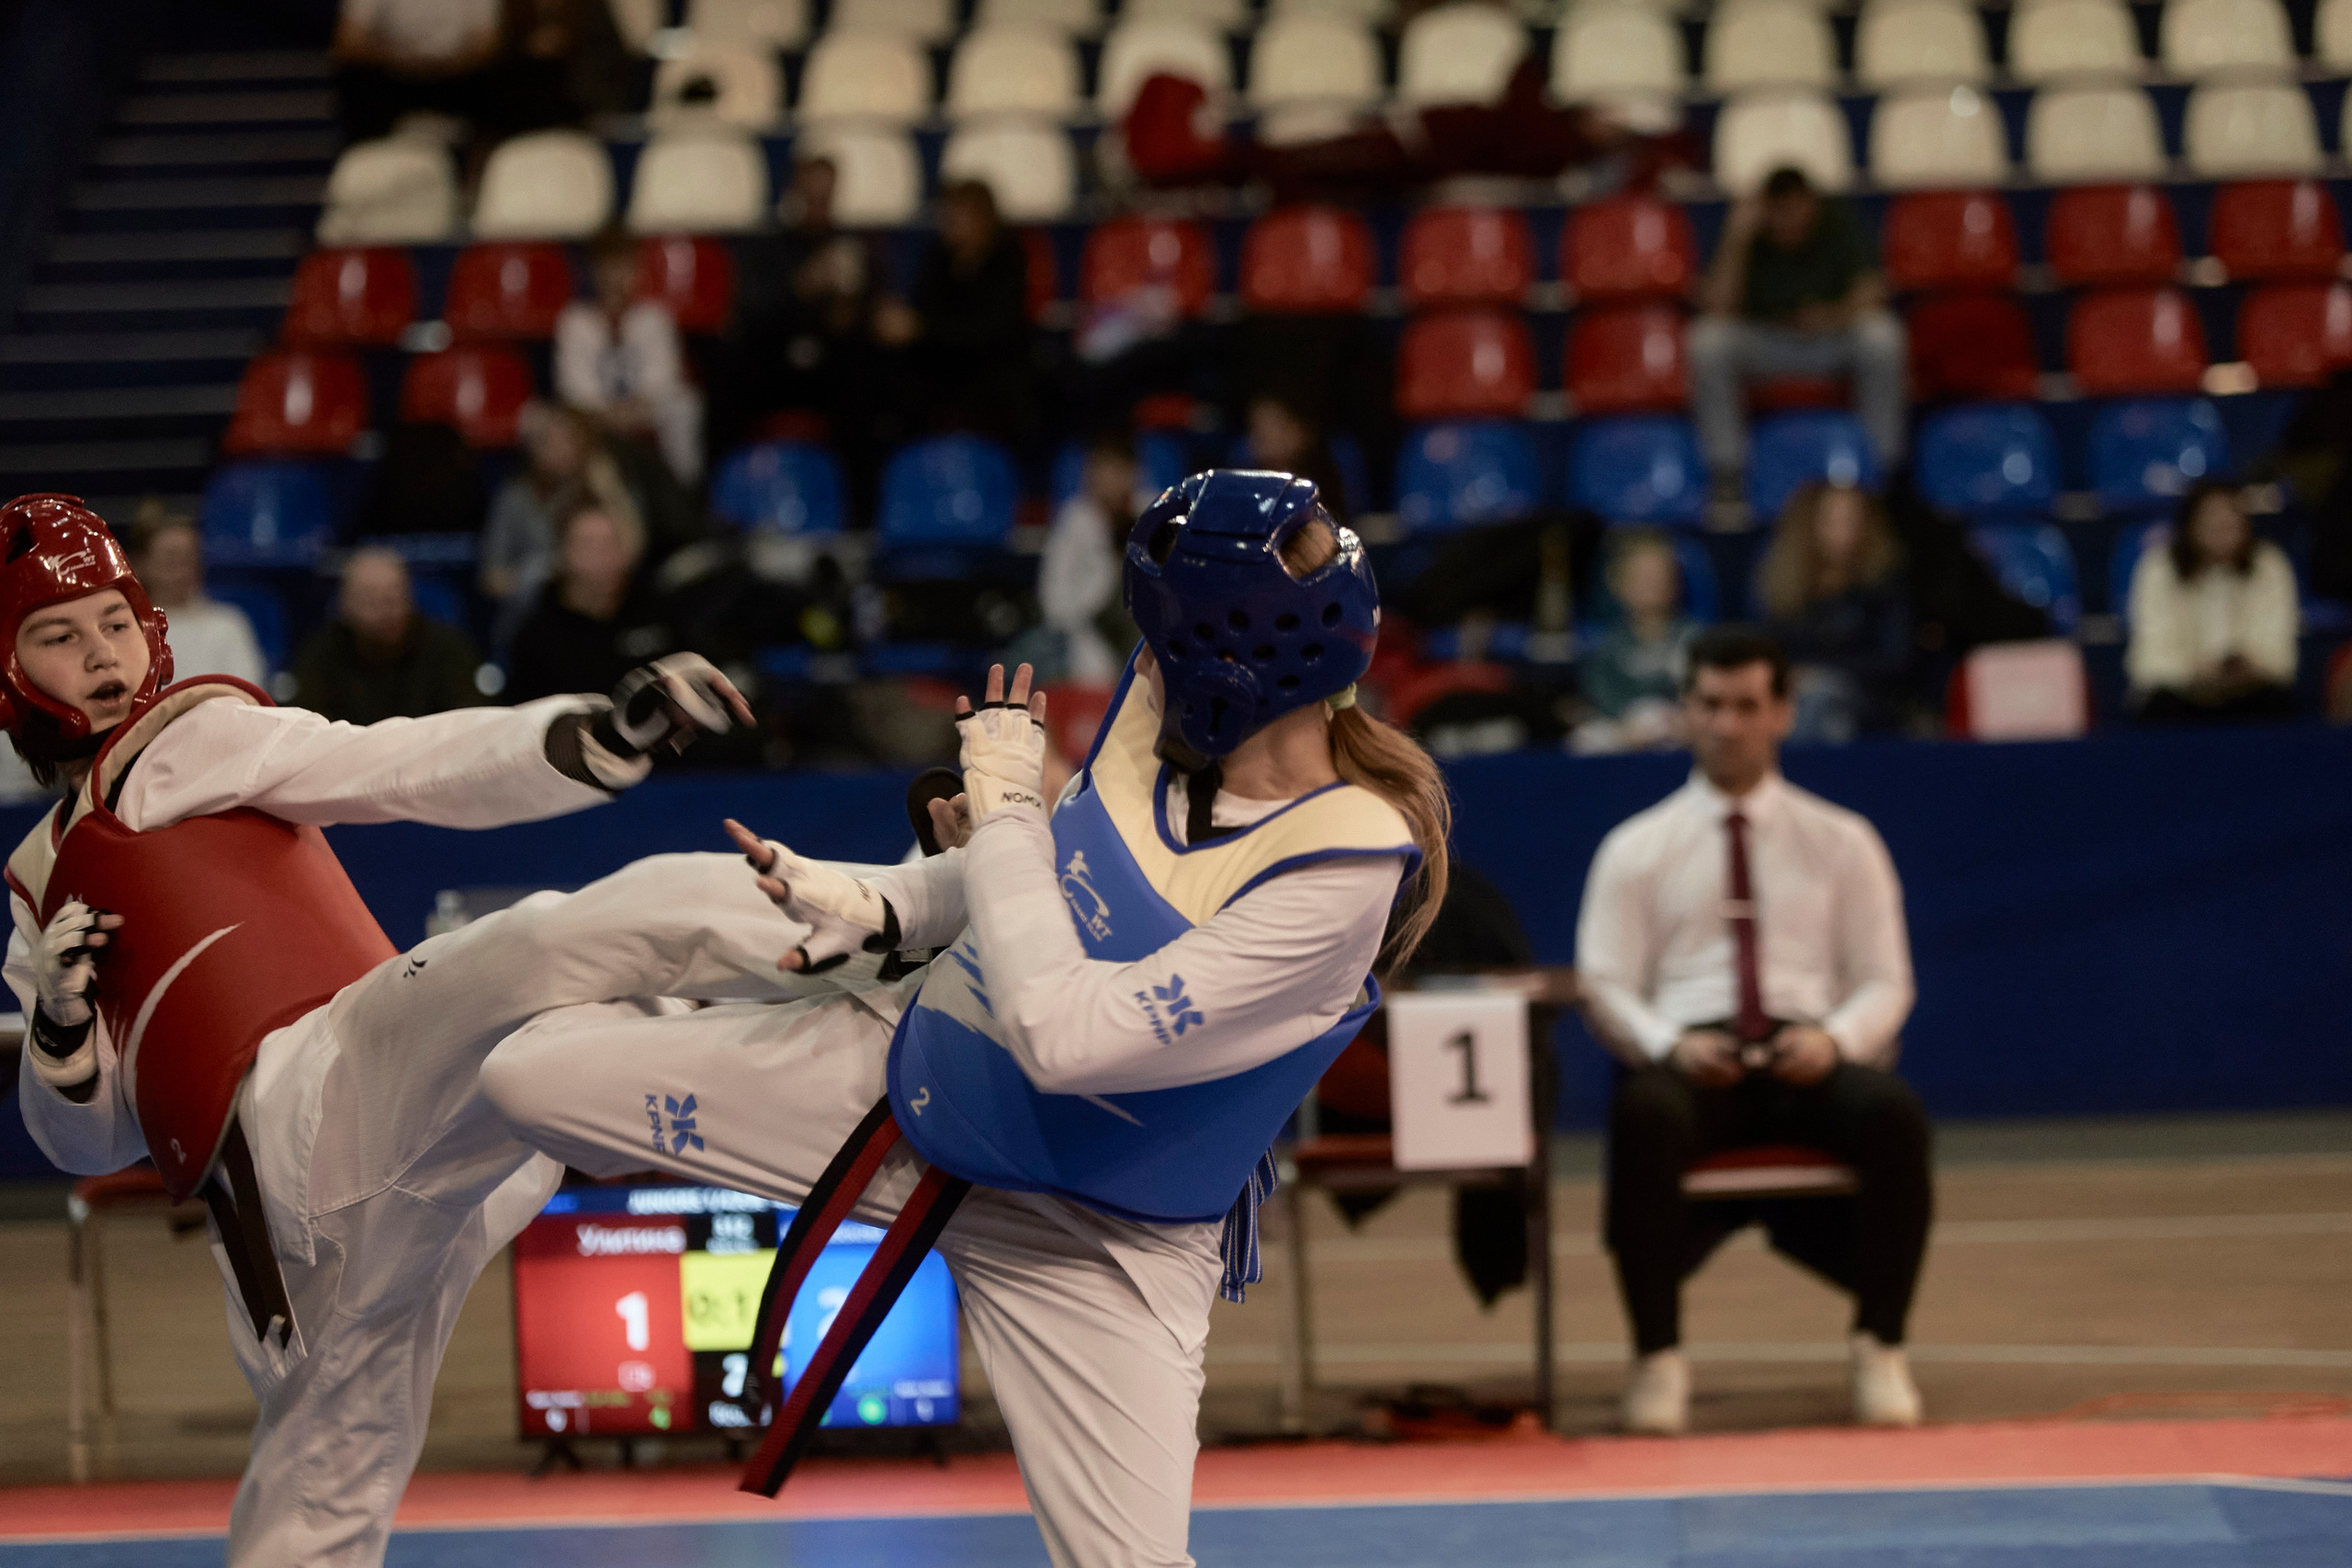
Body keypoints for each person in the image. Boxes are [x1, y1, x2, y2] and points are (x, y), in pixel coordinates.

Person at [480, 470, 1453, 1568]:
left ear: (1222, 657)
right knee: (527, 1079)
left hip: (1103, 1246)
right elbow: (1045, 885)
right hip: (919, 1087)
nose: (1146, 657)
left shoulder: (1339, 868)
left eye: (1163, 637)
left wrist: (1005, 816)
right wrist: (875, 901)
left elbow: (1066, 1035)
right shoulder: (1167, 729)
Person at [1, 492, 757, 1567]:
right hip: (290, 1230)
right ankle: (838, 963)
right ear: (11, 670)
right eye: (59, 636)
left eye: (115, 622)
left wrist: (589, 733)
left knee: (547, 960)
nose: (100, 655)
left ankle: (866, 931)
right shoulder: (37, 888)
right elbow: (90, 1143)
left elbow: (392, 760)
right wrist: (62, 1027)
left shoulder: (187, 741)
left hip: (346, 1099)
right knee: (314, 1517)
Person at [1574, 626, 1927, 1437]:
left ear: (1782, 713)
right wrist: (1669, 1044)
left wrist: (1837, 1040)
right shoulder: (1636, 847)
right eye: (1710, 705)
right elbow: (1604, 984)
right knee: (1645, 1113)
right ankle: (1657, 1358)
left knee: (1895, 1116)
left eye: (1745, 705)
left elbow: (1886, 979)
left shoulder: (1843, 841)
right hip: (1696, 1059)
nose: (1726, 724)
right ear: (1685, 710)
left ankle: (1881, 1344)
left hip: (1808, 1055)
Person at [1690, 167, 1908, 512]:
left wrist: (1833, 316)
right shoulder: (1744, 234)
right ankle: (1728, 471)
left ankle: (1883, 470)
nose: (1789, 220)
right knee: (1708, 342)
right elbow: (1717, 307)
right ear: (1765, 209)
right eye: (1779, 211)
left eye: (1796, 208)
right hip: (1767, 343)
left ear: (1811, 203)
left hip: (1829, 338)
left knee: (1882, 336)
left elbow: (1873, 290)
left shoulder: (1836, 220)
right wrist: (1737, 239)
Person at [876, 179, 1039, 452]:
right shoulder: (938, 258)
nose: (948, 222)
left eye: (957, 215)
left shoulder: (1009, 259)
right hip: (942, 367)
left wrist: (922, 327)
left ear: (982, 218)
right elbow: (922, 310)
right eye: (947, 214)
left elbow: (993, 327)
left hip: (992, 370)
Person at [2126, 481, 2300, 724]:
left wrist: (2243, 669)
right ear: (2189, 525)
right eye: (2211, 522)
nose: (2221, 530)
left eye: (2230, 522)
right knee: (2158, 707)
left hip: (2249, 693)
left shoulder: (2269, 565)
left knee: (2277, 703)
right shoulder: (2158, 568)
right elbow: (2148, 662)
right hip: (2180, 695)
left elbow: (2280, 659)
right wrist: (2195, 672)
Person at [1757, 482, 1911, 742]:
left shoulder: (1885, 585)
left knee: (1820, 702)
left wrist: (1821, 673)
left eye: (1852, 520)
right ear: (1810, 526)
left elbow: (1896, 660)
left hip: (1869, 699)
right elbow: (1769, 653)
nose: (1843, 531)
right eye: (1832, 520)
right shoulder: (1786, 588)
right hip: (1794, 696)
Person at [481, 405, 641, 651]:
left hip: (599, 613)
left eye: (567, 439)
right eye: (548, 440)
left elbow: (632, 553)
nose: (559, 449)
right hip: (532, 614)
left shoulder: (599, 490)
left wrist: (608, 487)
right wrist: (544, 570)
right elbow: (491, 579)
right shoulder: (514, 498)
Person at [556, 226, 706, 486]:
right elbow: (575, 389)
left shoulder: (654, 317)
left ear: (637, 270)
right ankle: (579, 493)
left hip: (644, 409)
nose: (615, 277)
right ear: (594, 271)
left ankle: (683, 488)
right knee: (548, 419)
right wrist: (607, 412)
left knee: (686, 405)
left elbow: (663, 380)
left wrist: (633, 409)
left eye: (623, 267)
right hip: (593, 416)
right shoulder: (575, 320)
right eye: (608, 267)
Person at [503, 496, 673, 705]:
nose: (603, 557)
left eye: (613, 542)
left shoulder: (658, 612)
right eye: (588, 545)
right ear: (562, 554)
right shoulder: (537, 637)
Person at [292, 547, 483, 724]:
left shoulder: (448, 648)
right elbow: (311, 724)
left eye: (392, 599)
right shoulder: (321, 654)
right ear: (345, 606)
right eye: (371, 602)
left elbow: (469, 719)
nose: (386, 613)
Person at [1035, 434, 1144, 685]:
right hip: (1088, 630)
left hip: (1145, 632)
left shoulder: (1154, 512)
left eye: (1116, 469)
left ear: (1133, 472)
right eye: (1100, 469)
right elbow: (1054, 604)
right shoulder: (1074, 521)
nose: (1107, 479)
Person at [1575, 529, 1697, 753]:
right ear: (1619, 584)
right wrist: (1629, 726)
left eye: (1660, 575)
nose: (1653, 583)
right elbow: (1602, 697)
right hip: (1624, 736)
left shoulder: (1694, 640)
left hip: (1681, 736)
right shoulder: (1605, 646)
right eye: (1642, 576)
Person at [128, 503, 268, 687]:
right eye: (171, 560)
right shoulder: (126, 629)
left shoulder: (228, 625)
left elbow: (247, 693)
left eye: (189, 559)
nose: (182, 571)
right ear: (141, 563)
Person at [330, 0, 502, 145]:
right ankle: (365, 159)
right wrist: (401, 60)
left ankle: (487, 166)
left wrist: (444, 66)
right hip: (393, 76)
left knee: (497, 78)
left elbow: (487, 44)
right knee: (359, 79)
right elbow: (349, 42)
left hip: (455, 78)